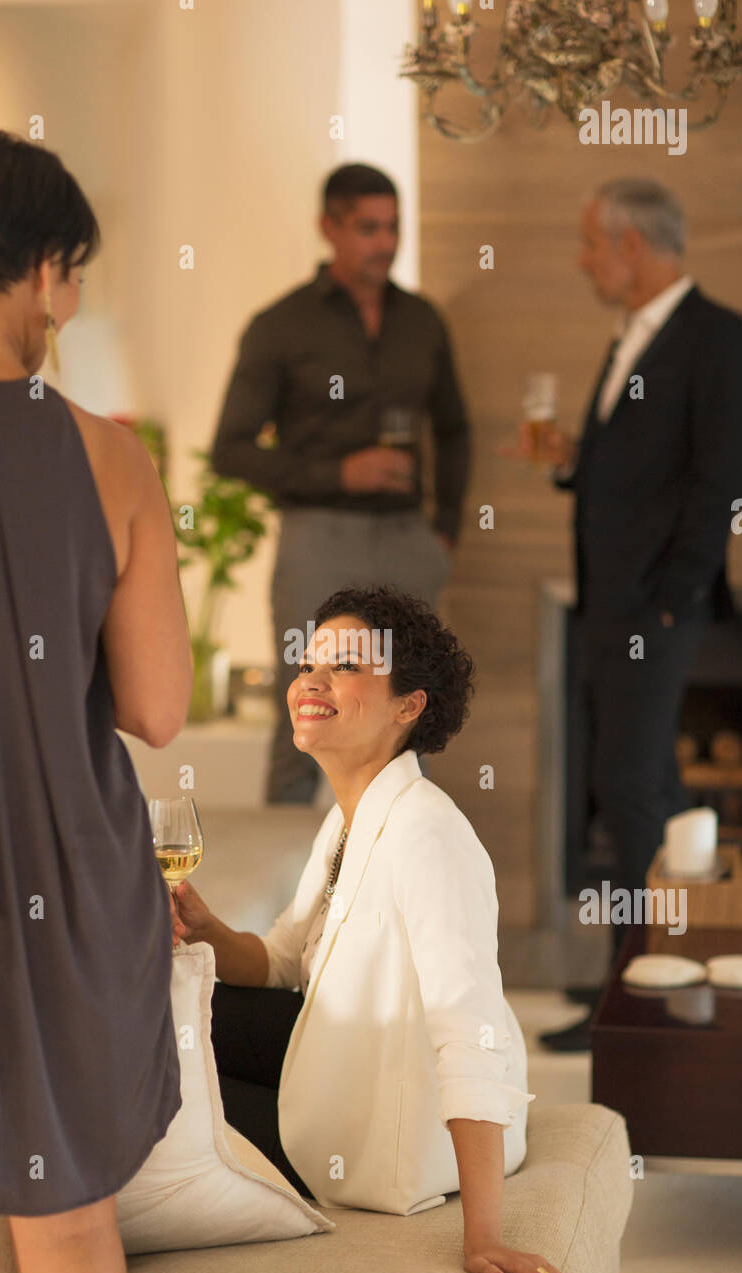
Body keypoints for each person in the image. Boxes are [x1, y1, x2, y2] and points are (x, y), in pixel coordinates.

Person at [0, 129, 192, 1273]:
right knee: (67, 1218)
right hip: (62, 885)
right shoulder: (108, 461)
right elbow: (158, 709)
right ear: (48, 269)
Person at [170, 586, 567, 1273]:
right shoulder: (350, 814)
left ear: (407, 705)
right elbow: (287, 957)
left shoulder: (429, 834)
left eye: (346, 666)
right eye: (309, 663)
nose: (311, 682)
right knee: (165, 1015)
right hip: (351, 1057)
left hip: (386, 1135)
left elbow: (469, 1029)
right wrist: (207, 931)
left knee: (161, 1080)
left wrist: (485, 1235)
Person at [516, 179, 742, 1051]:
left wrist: (670, 604)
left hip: (653, 609)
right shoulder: (631, 335)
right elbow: (637, 474)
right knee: (645, 787)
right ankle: (651, 982)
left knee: (626, 787)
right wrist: (571, 462)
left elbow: (721, 484)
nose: (583, 260)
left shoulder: (720, 339)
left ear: (632, 246)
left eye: (591, 244)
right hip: (611, 604)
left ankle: (639, 989)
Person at [211, 163, 471, 805]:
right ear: (329, 228)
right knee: (303, 711)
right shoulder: (280, 325)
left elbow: (456, 429)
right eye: (368, 228)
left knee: (410, 716)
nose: (384, 242)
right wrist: (338, 473)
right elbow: (231, 448)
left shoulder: (423, 321)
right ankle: (292, 901)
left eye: (393, 227)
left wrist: (445, 532)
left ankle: (399, 885)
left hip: (409, 539)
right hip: (317, 538)